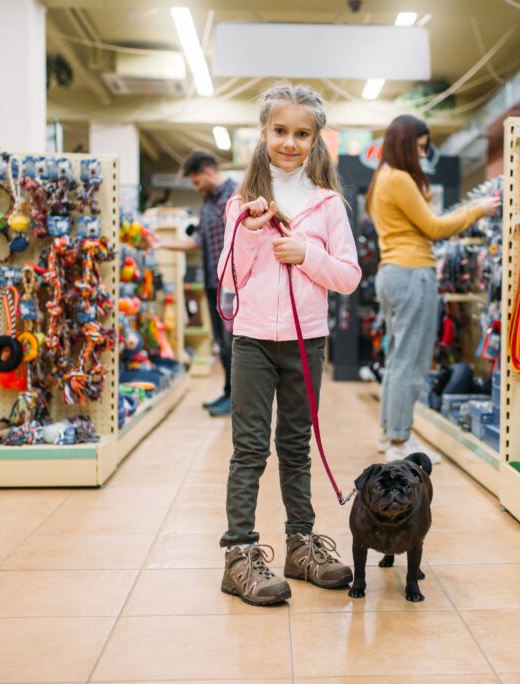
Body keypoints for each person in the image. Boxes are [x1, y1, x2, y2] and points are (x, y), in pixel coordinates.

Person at [216, 83, 361, 606]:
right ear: (264, 133)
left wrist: (307, 255)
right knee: (250, 449)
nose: (290, 142)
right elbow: (227, 277)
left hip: (307, 342)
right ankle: (239, 555)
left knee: (295, 447)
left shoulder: (328, 206)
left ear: (317, 139)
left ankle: (301, 544)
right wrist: (253, 232)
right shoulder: (240, 203)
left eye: (302, 133)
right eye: (280, 131)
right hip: (252, 340)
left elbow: (348, 276)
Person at [365, 114, 500, 464]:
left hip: (392, 272)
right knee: (411, 361)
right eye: (421, 147)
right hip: (412, 272)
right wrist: (478, 210)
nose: (423, 155)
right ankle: (399, 440)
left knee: (397, 358)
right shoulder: (399, 179)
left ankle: (390, 433)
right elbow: (434, 227)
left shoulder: (382, 177)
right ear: (406, 143)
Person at [147, 150, 236, 417]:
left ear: (208, 172)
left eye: (197, 182)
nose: (196, 188)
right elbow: (196, 240)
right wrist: (162, 243)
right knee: (221, 340)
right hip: (212, 283)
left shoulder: (237, 195)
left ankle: (237, 400)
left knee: (233, 342)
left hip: (232, 284)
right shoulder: (208, 203)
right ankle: (229, 392)